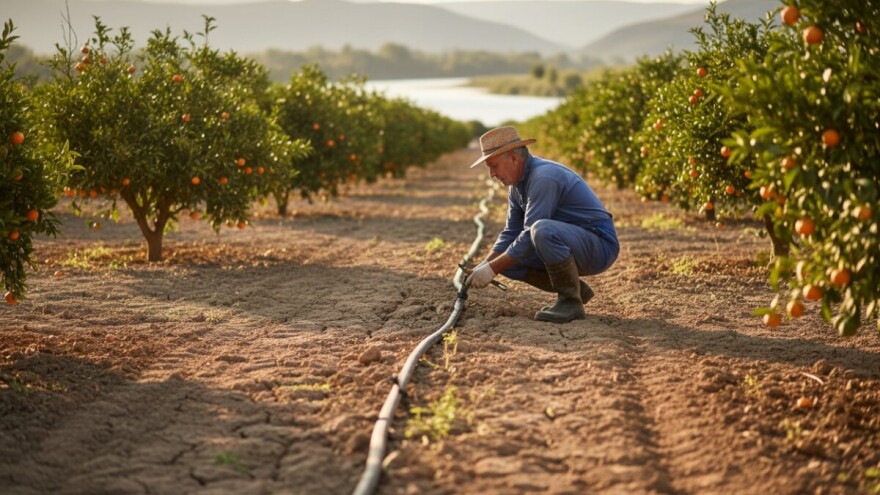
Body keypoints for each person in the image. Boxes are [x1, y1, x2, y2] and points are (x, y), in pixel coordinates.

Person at [465, 126, 619, 323]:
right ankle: (576, 290)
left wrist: (491, 268)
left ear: (512, 158)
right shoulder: (516, 187)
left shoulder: (543, 177)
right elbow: (511, 232)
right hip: (571, 243)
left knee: (541, 230)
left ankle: (570, 302)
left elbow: (530, 233)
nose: (492, 174)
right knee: (508, 262)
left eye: (493, 166)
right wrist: (486, 265)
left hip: (599, 245)